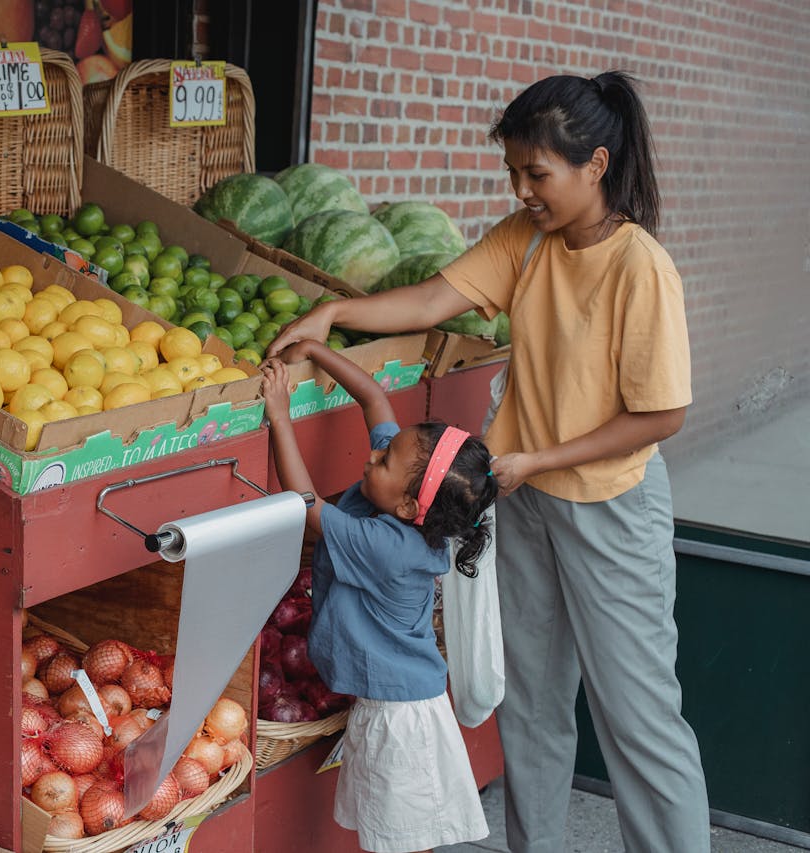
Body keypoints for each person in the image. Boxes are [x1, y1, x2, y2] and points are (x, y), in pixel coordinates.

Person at [268, 71, 709, 853]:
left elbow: (661, 414)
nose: (522, 189)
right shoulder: (525, 240)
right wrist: (335, 312)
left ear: (596, 166)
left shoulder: (641, 267)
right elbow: (431, 299)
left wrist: (539, 455)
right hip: (525, 501)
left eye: (536, 173)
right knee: (532, 703)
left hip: (610, 506)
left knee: (638, 716)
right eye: (514, 172)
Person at [261, 340, 497, 853]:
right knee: (395, 835)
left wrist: (280, 415)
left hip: (400, 720)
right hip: (389, 705)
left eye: (384, 459)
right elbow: (375, 399)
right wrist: (318, 351)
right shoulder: (401, 498)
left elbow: (306, 505)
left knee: (402, 840)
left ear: (413, 506)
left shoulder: (389, 545)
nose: (373, 456)